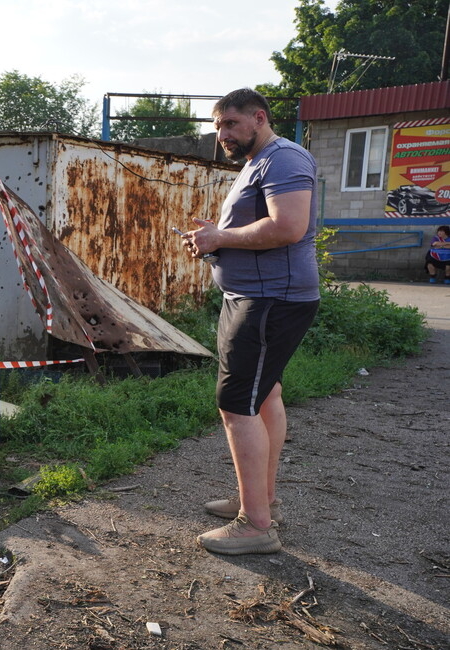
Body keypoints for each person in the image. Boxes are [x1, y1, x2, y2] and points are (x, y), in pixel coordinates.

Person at [182, 88, 320, 555]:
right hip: (253, 297)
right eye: (218, 125)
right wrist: (212, 241)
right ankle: (262, 500)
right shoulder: (257, 163)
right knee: (265, 396)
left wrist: (220, 236)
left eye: (231, 124)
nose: (222, 134)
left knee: (236, 403)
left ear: (259, 118)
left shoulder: (284, 158)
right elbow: (254, 231)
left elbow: (288, 227)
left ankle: (256, 525)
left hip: (269, 301)